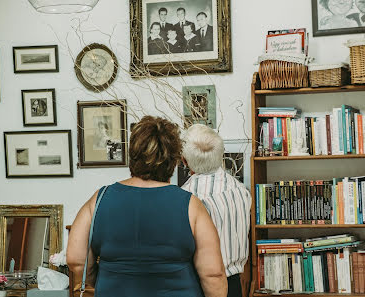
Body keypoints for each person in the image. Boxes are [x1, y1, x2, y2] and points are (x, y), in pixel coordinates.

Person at [67, 116, 228, 297]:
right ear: (174, 161)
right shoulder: (191, 205)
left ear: (133, 155)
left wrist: (103, 280)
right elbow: (213, 274)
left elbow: (76, 260)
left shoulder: (99, 199)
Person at [181, 124, 252, 297]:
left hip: (203, 286)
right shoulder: (241, 190)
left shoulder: (187, 197)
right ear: (222, 155)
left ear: (184, 160)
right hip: (236, 284)